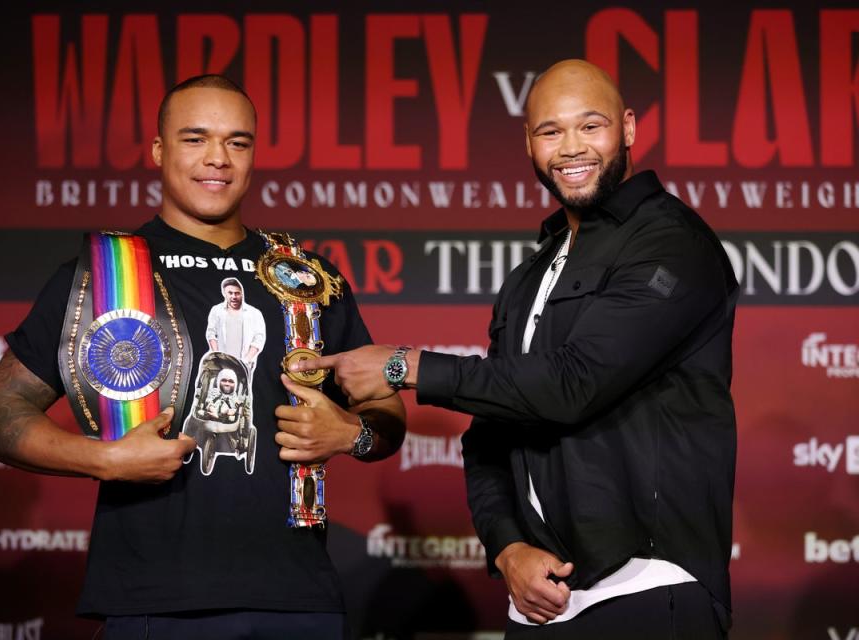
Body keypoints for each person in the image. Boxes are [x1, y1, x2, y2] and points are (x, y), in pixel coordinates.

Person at [292, 59, 738, 639]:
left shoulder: (673, 242)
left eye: (591, 126)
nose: (571, 147)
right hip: (538, 599)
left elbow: (573, 384)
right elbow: (486, 439)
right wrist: (507, 549)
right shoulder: (532, 274)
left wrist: (406, 367)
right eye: (551, 131)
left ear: (628, 129)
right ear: (529, 145)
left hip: (648, 585)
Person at [0, 74, 406, 639]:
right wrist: (105, 460)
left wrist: (350, 435)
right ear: (158, 150)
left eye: (237, 142)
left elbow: (386, 411)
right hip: (156, 597)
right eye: (195, 139)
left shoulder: (306, 277)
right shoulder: (106, 275)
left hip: (297, 595)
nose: (217, 159)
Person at [205, 277, 265, 364]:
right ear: (224, 293)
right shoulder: (216, 310)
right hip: (221, 362)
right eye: (230, 293)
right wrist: (217, 355)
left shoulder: (254, 313)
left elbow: (259, 338)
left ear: (242, 293)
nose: (234, 296)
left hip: (245, 363)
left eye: (237, 293)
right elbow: (211, 333)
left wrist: (246, 360)